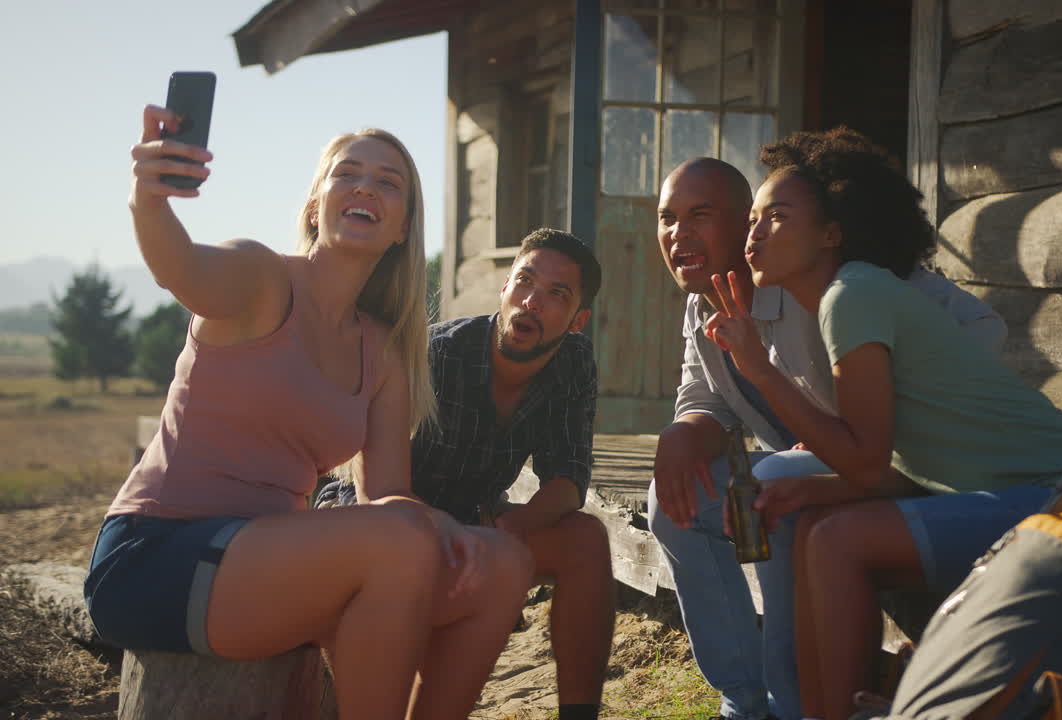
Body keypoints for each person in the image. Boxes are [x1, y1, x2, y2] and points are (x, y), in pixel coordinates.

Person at [83, 106, 534, 720]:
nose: (365, 187)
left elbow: (387, 493)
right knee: (400, 542)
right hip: (155, 556)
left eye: (387, 182)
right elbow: (179, 265)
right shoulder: (260, 278)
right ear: (315, 205)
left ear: (403, 226)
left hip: (270, 570)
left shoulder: (383, 350)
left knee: (503, 565)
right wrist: (150, 198)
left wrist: (441, 527)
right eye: (347, 173)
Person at [704, 127, 1062, 720]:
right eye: (753, 219)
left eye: (777, 216)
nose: (755, 232)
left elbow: (864, 459)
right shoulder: (846, 299)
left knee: (838, 540)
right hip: (1016, 496)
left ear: (831, 233)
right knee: (817, 526)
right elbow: (904, 466)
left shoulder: (853, 295)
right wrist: (808, 489)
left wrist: (758, 370)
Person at [647, 156, 1007, 720]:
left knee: (772, 483)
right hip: (813, 474)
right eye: (667, 218)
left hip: (902, 469)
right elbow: (705, 398)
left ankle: (792, 704)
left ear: (746, 222)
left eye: (700, 215)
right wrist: (683, 432)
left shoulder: (830, 278)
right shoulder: (703, 305)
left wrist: (884, 418)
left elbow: (983, 329)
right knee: (675, 499)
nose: (678, 234)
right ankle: (743, 700)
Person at [318, 227, 614, 720]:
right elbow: (371, 483)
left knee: (584, 539)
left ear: (578, 320)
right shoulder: (437, 354)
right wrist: (455, 537)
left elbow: (568, 481)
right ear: (505, 286)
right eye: (525, 281)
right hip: (375, 518)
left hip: (470, 522)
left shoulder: (574, 362)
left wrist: (511, 528)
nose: (531, 302)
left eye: (557, 294)